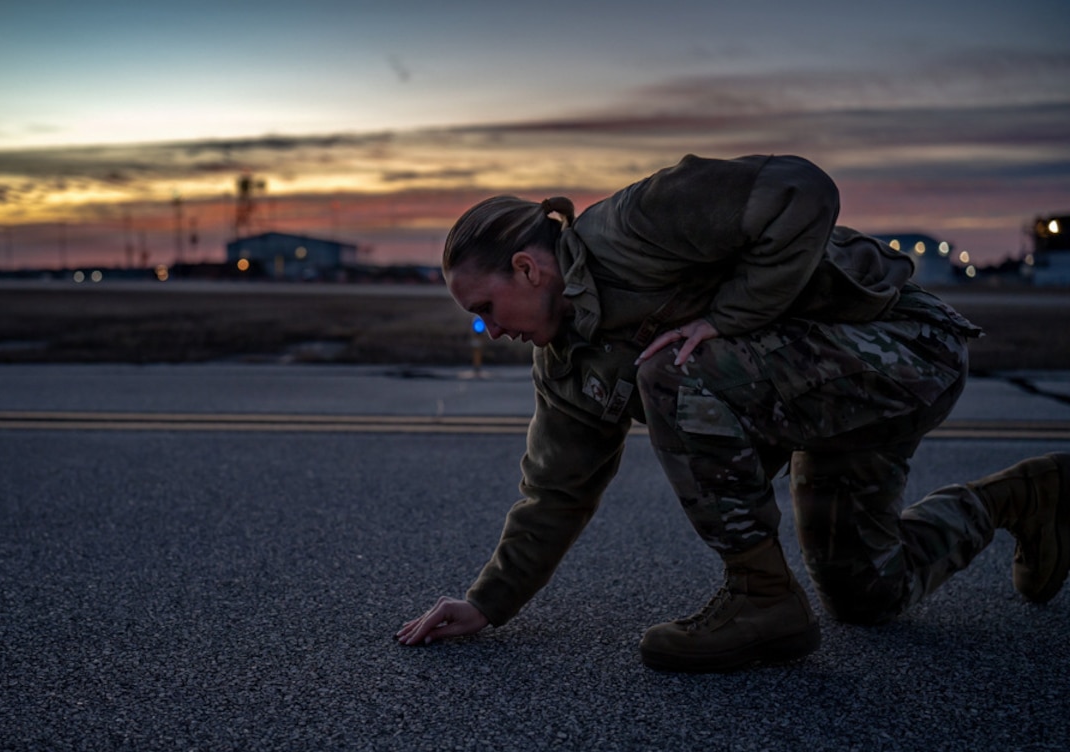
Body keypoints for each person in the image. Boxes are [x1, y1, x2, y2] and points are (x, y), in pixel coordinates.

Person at [394, 153, 1070, 672]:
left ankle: (760, 597)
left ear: (527, 268)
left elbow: (803, 190)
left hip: (902, 349)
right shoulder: (568, 364)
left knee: (670, 369)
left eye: (483, 310)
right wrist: (487, 604)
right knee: (866, 595)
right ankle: (1024, 499)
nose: (487, 331)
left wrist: (725, 319)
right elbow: (556, 492)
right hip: (828, 406)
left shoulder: (635, 224)